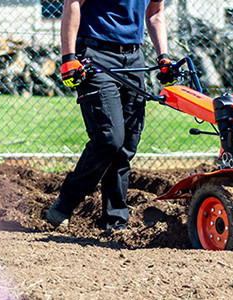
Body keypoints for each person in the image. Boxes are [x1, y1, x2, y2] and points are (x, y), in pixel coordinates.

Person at [45, 0, 177, 231]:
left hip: (134, 59)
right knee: (108, 138)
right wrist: (68, 57)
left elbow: (155, 12)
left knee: (126, 144)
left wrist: (163, 56)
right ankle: (64, 205)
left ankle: (115, 222)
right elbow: (72, 3)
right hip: (94, 56)